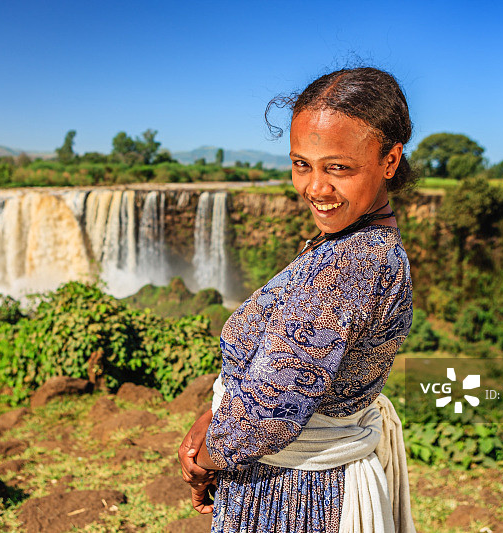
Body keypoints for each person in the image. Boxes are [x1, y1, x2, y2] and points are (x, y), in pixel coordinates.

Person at [179, 67, 417, 533]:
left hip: (295, 498)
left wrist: (202, 458)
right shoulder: (362, 244)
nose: (316, 188)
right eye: (302, 164)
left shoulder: (350, 266)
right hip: (300, 482)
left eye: (338, 168)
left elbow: (268, 413)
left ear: (390, 160)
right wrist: (216, 417)